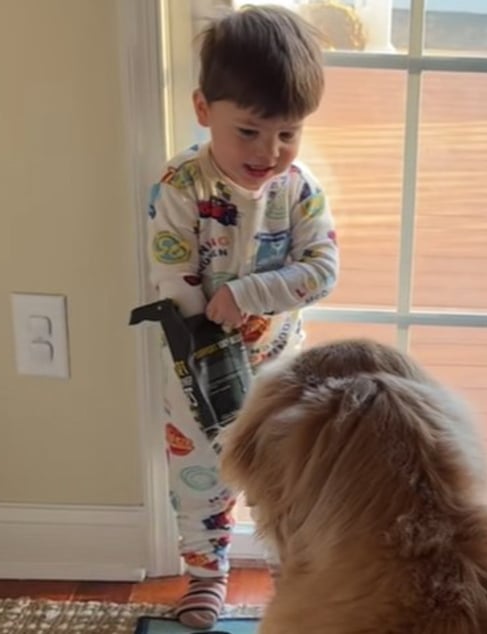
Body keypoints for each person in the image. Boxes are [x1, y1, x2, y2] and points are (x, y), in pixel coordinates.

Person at [146, 4, 338, 628]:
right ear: (204, 111)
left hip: (282, 374)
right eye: (250, 132)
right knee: (202, 479)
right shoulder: (181, 186)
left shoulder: (300, 188)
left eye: (288, 133)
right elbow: (172, 277)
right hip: (198, 378)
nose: (270, 151)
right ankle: (206, 578)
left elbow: (322, 270)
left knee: (285, 481)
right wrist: (208, 315)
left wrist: (250, 293)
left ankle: (292, 575)